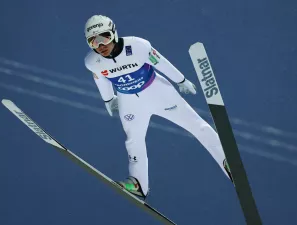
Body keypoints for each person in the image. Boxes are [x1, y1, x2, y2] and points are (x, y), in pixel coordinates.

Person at [84, 15, 232, 198]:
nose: (100, 45)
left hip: (158, 92)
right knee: (133, 140)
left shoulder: (138, 46)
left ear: (113, 33)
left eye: (104, 37)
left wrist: (181, 80)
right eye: (93, 42)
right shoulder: (92, 62)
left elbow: (160, 61)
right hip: (129, 102)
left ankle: (227, 161)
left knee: (196, 125)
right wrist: (108, 99)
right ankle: (138, 184)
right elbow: (101, 80)